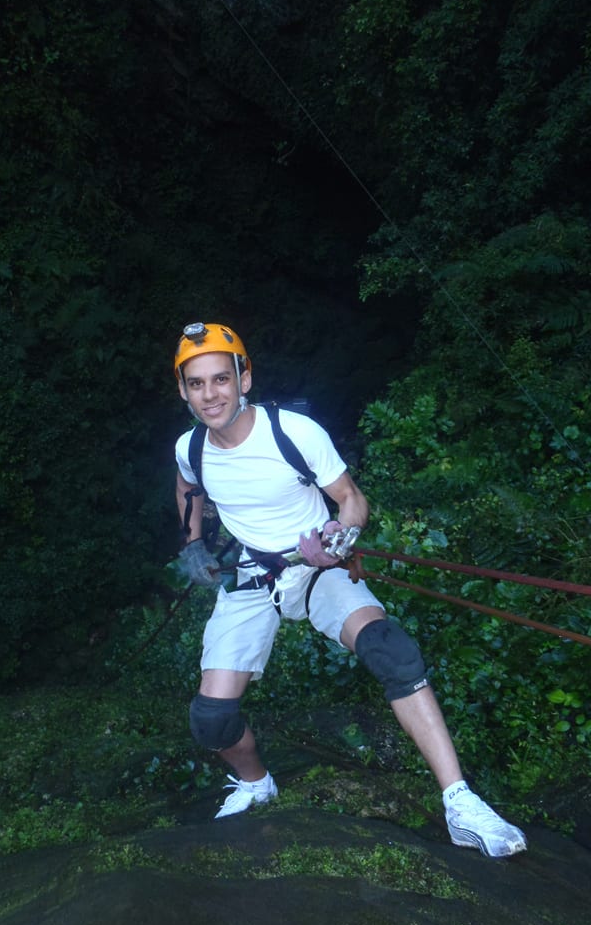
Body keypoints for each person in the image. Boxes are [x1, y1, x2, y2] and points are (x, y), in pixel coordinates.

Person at [173, 321, 527, 858]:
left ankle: (460, 803)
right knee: (211, 720)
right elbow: (187, 487)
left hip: (317, 566)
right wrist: (192, 543)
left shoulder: (293, 432)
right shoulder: (190, 446)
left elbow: (350, 498)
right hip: (252, 574)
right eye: (196, 383)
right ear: (183, 390)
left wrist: (339, 533)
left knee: (393, 652)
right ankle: (255, 783)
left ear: (245, 378)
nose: (210, 394)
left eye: (221, 379)